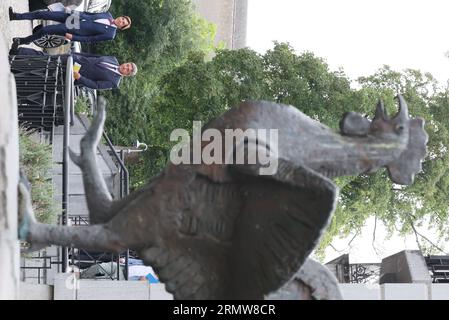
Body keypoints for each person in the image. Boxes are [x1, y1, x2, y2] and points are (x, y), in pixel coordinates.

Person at [12, 47, 138, 90]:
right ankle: (18, 52)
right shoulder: (113, 59)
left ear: (127, 74)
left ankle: (16, 69)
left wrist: (80, 77)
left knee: (44, 71)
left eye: (128, 70)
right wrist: (76, 55)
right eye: (127, 65)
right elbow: (92, 56)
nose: (125, 67)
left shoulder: (114, 82)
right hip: (74, 59)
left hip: (74, 74)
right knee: (46, 58)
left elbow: (96, 85)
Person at [8, 6, 131, 45]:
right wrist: (73, 12)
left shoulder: (110, 34)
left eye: (123, 24)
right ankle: (16, 16)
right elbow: (87, 13)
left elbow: (91, 39)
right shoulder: (108, 14)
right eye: (122, 19)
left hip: (75, 29)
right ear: (121, 16)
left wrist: (73, 38)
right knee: (42, 13)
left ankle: (23, 41)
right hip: (74, 18)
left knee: (46, 30)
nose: (121, 21)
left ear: (121, 28)